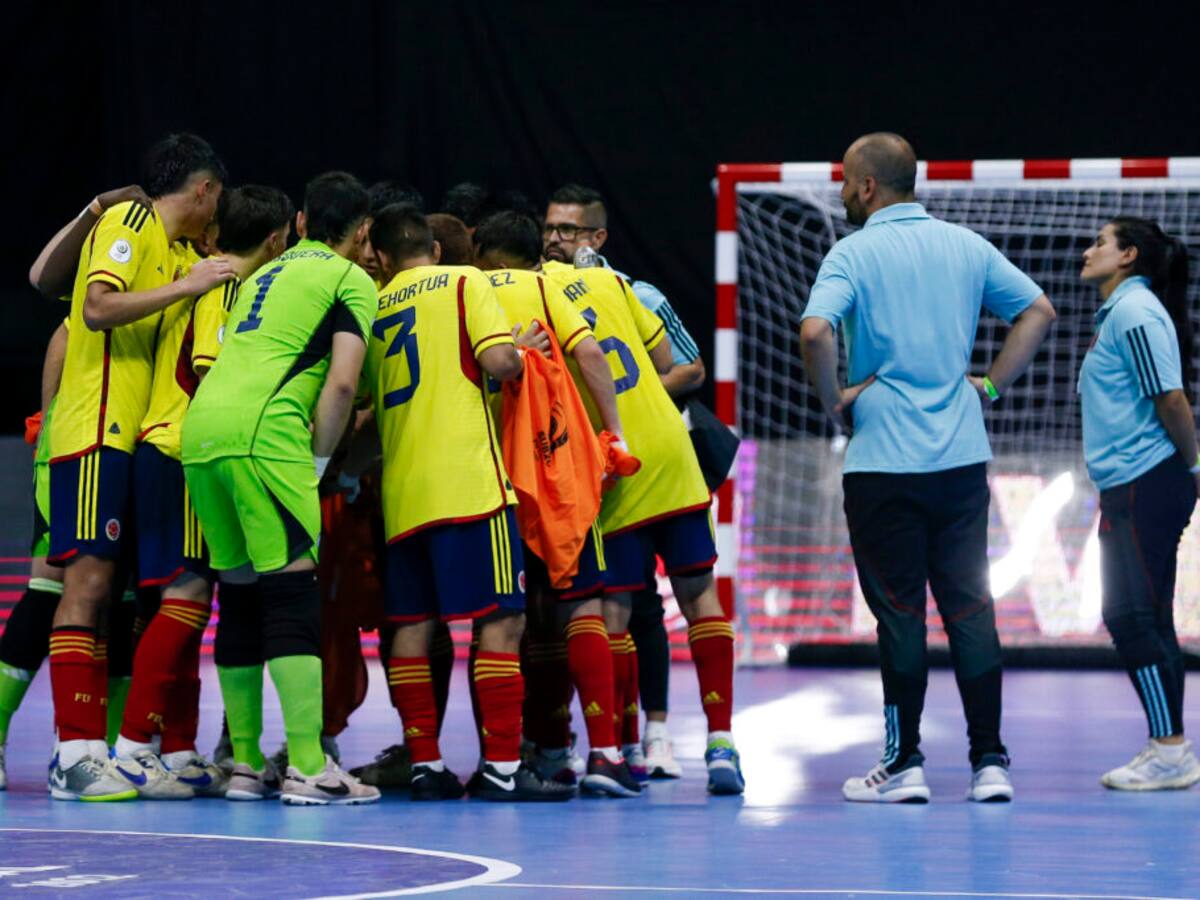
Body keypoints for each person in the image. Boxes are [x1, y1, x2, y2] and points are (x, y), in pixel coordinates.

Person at [799, 132, 1057, 803]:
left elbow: (814, 331)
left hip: (883, 463)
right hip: (961, 458)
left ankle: (905, 764)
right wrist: (990, 385)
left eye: (844, 180)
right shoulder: (965, 245)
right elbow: (1038, 311)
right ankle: (990, 763)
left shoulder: (852, 252)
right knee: (972, 610)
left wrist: (834, 402)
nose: (840, 191)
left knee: (900, 616)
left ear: (865, 187)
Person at [361, 204, 572, 802]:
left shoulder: (374, 305)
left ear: (380, 254)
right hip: (472, 484)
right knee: (501, 621)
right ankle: (503, 768)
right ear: (432, 246)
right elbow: (498, 361)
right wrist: (521, 349)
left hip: (403, 492)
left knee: (412, 628)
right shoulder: (465, 281)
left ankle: (425, 764)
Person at [181, 171, 380, 806]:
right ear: (364, 231)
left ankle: (243, 765)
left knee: (238, 598)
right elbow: (343, 385)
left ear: (297, 225)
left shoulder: (261, 273)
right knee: (293, 597)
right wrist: (318, 462)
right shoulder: (351, 280)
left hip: (202, 435)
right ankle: (307, 766)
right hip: (264, 440)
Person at [45, 134, 233, 802]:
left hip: (132, 441)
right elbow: (95, 308)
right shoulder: (131, 222)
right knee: (86, 586)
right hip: (94, 429)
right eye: (218, 197)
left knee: (116, 601)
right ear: (204, 188)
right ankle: (73, 753)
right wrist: (188, 284)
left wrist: (195, 276)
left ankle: (95, 749)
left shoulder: (182, 252)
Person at [112, 185, 294, 799]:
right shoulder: (226, 286)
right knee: (188, 592)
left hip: (163, 449)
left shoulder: (201, 275)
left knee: (180, 599)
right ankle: (135, 747)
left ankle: (182, 748)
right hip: (182, 450)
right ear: (276, 240)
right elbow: (212, 373)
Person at [542, 258, 744, 795]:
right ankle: (722, 744)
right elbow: (665, 360)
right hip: (672, 450)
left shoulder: (533, 294)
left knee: (614, 610)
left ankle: (614, 752)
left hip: (614, 462)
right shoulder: (618, 283)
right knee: (700, 596)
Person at [474, 210, 641, 797]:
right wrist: (613, 432)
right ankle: (604, 752)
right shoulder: (546, 286)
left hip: (490, 477)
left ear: (483, 252)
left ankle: (512, 754)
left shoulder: (467, 289)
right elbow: (591, 355)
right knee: (581, 605)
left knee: (504, 619)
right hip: (558, 468)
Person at [543, 183, 705, 778]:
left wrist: (630, 400)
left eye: (569, 230)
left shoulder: (638, 291)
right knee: (625, 603)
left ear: (597, 237)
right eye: (550, 228)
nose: (555, 239)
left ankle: (658, 734)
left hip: (646, 457)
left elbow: (690, 367)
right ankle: (625, 743)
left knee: (654, 607)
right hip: (600, 470)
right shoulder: (540, 289)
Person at [1077, 217, 1200, 790]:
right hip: (1132, 485)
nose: (1088, 250)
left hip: (1145, 482)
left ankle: (1170, 750)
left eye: (1100, 242)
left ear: (1128, 255)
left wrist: (1194, 466)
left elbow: (1170, 397)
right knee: (1145, 618)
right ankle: (1168, 748)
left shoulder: (1133, 312)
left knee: (1129, 616)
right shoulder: (1122, 313)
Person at [0, 324, 67, 790]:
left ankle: (82, 744)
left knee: (119, 600)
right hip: (75, 446)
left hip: (136, 449)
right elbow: (66, 330)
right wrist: (51, 423)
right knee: (48, 590)